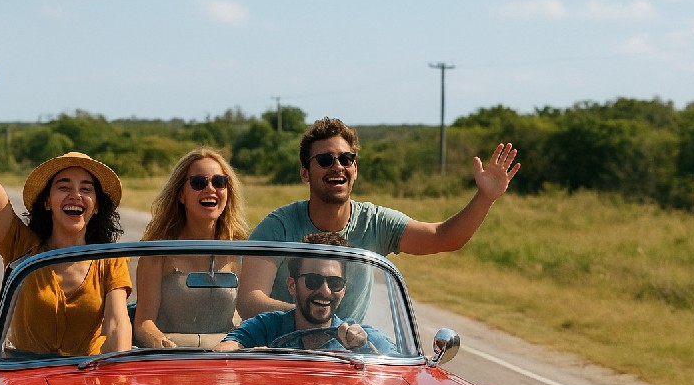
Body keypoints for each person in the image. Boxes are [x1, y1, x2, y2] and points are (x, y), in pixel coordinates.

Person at [238, 117, 521, 320]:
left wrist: (485, 197)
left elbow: (442, 238)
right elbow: (250, 300)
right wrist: (311, 316)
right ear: (304, 173)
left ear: (355, 169)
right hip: (282, 351)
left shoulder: (375, 221)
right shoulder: (279, 227)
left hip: (348, 357)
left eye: (346, 159)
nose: (337, 166)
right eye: (325, 160)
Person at [0, 53, 131, 355]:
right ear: (47, 201)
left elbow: (117, 324)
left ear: (96, 206)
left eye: (86, 189)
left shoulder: (109, 259)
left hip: (88, 379)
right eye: (64, 187)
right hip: (27, 379)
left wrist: (119, 382)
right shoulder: (21, 247)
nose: (76, 195)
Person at [133, 148, 249, 348]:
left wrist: (239, 344)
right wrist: (163, 344)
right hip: (174, 357)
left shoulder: (241, 251)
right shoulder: (156, 252)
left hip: (226, 356)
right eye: (198, 182)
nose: (210, 189)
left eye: (219, 182)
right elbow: (143, 323)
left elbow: (253, 315)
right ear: (180, 195)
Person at [215, 233, 395, 353]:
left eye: (335, 283)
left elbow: (403, 372)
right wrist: (252, 356)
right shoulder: (266, 327)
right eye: (313, 281)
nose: (325, 291)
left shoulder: (359, 335)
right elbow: (224, 350)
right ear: (292, 285)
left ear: (344, 289)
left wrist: (365, 349)